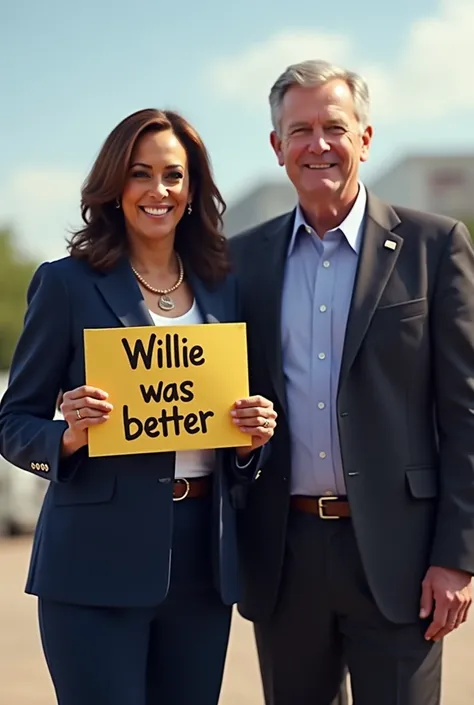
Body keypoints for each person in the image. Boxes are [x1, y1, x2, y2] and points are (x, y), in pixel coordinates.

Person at [0, 108, 276, 705]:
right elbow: (13, 423)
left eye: (173, 176)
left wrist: (253, 439)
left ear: (192, 188)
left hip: (203, 561)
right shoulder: (66, 284)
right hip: (93, 562)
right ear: (114, 186)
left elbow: (233, 423)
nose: (159, 191)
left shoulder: (225, 286)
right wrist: (67, 436)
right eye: (140, 174)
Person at [229, 59, 474, 705]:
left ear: (364, 138)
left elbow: (466, 411)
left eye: (334, 127)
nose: (318, 145)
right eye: (300, 129)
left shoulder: (435, 245)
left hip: (404, 558)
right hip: (284, 555)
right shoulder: (241, 261)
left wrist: (459, 554)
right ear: (277, 146)